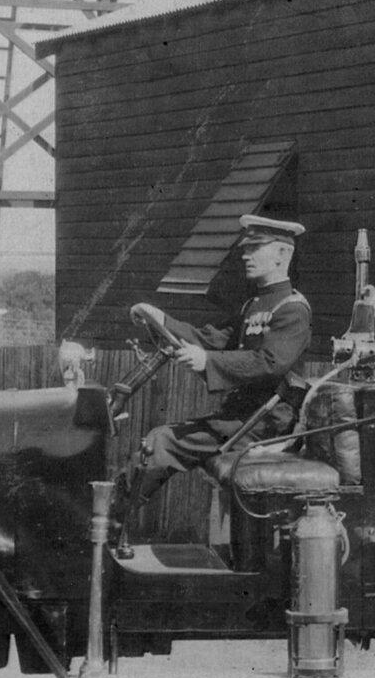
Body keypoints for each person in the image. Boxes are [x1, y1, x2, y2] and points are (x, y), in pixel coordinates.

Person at [127, 215, 313, 508]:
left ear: (282, 254)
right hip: (243, 419)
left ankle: (111, 522)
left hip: (265, 425)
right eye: (245, 247)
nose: (245, 254)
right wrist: (159, 318)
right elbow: (208, 339)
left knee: (160, 442)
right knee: (159, 441)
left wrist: (206, 362)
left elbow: (269, 362)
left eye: (255, 247)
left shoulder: (292, 310)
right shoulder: (253, 306)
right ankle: (114, 521)